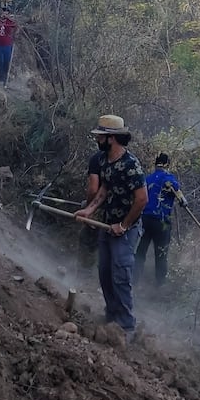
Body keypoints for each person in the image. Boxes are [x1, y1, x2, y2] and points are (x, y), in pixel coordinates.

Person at [75, 115, 147, 340]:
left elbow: (142, 199)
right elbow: (105, 188)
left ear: (112, 138)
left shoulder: (131, 165)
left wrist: (124, 225)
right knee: (104, 272)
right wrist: (90, 210)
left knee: (120, 274)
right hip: (106, 224)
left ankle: (126, 327)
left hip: (126, 229)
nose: (98, 140)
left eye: (101, 137)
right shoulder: (105, 160)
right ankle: (111, 315)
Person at [134, 153, 181, 286]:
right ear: (168, 165)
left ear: (155, 164)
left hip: (144, 220)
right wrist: (183, 200)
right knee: (161, 255)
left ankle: (133, 282)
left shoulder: (147, 179)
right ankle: (159, 287)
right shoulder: (169, 179)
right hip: (161, 222)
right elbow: (181, 198)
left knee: (140, 252)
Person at [0, 6, 16, 87]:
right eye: (3, 12)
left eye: (6, 12)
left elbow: (16, 26)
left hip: (7, 45)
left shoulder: (10, 21)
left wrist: (14, 36)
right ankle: (0, 78)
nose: (4, 13)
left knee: (7, 62)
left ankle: (6, 78)